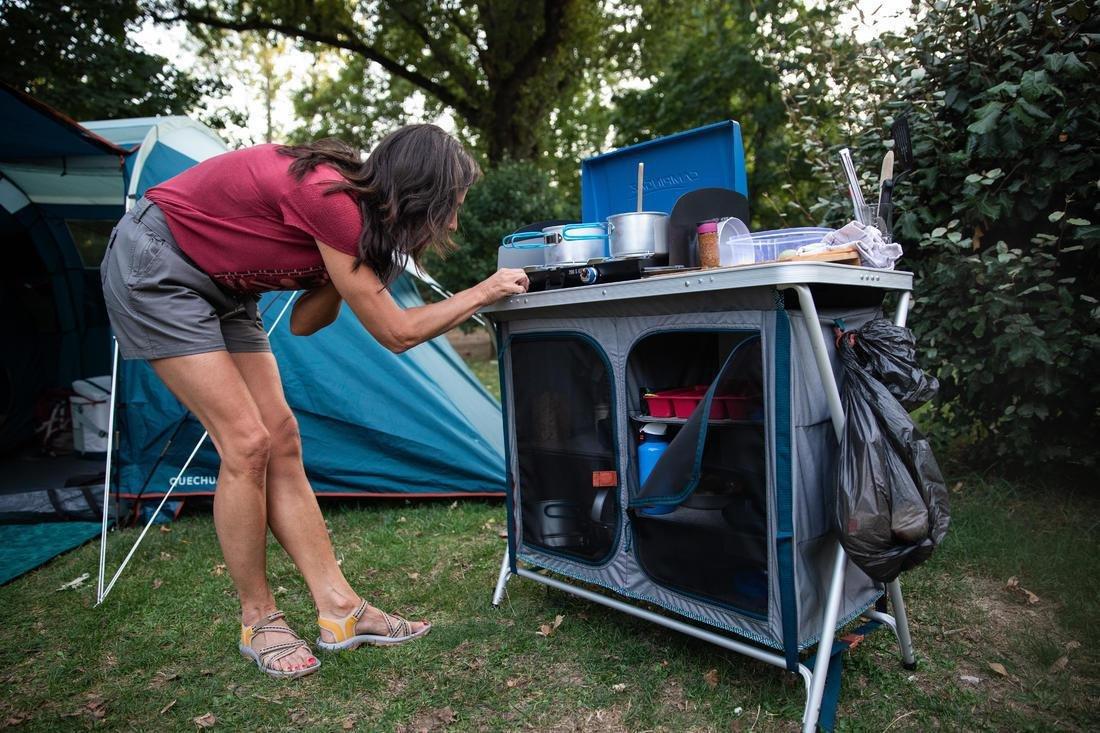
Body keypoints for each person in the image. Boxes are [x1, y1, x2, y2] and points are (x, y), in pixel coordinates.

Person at [99, 124, 529, 679]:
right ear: (420, 190)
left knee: (282, 439)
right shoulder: (331, 198)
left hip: (229, 290)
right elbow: (396, 334)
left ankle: (341, 609)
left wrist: (345, 274)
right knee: (247, 443)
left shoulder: (360, 232)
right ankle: (259, 619)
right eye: (451, 206)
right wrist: (485, 290)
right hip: (159, 264)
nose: (450, 222)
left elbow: (304, 322)